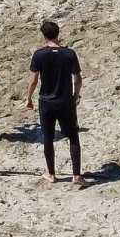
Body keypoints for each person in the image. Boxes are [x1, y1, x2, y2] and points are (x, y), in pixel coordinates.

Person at [25, 19, 85, 188]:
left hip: (46, 102)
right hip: (65, 101)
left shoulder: (39, 54)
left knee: (48, 138)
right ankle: (76, 176)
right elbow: (78, 79)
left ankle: (51, 174)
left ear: (44, 36)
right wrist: (75, 96)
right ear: (58, 33)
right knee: (73, 137)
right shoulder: (69, 53)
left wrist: (29, 98)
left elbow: (33, 80)